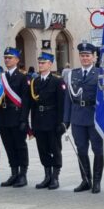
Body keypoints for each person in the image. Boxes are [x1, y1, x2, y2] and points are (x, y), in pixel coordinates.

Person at [63, 42, 104, 193]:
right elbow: (67, 98)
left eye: (88, 55)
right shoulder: (73, 74)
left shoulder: (100, 73)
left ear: (94, 57)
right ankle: (86, 179)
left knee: (97, 149)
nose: (85, 58)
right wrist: (66, 119)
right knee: (81, 149)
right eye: (82, 55)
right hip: (77, 117)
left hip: (94, 116)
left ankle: (97, 181)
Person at [29, 52, 66, 190]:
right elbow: (32, 105)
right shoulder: (35, 82)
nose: (40, 65)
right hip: (39, 120)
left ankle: (55, 177)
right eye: (39, 62)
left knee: (55, 149)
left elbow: (62, 104)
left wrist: (62, 123)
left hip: (52, 120)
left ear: (50, 64)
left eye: (43, 62)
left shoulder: (57, 81)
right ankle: (47, 176)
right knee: (42, 149)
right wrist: (31, 124)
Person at [0, 47, 31, 187]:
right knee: (8, 146)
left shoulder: (23, 77)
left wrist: (23, 119)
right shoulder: (0, 77)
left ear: (17, 60)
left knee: (20, 146)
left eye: (10, 58)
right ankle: (14, 173)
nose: (7, 60)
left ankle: (23, 174)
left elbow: (26, 100)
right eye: (5, 58)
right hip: (3, 117)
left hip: (16, 116)